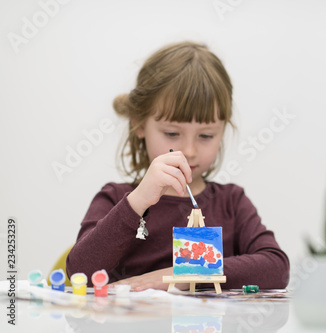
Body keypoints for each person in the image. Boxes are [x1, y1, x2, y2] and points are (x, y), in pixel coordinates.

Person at [66, 41, 290, 291]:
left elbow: (277, 268)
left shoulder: (232, 203)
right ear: (139, 124)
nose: (190, 151)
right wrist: (137, 202)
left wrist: (182, 274)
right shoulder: (117, 198)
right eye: (172, 133)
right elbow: (80, 274)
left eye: (206, 136)